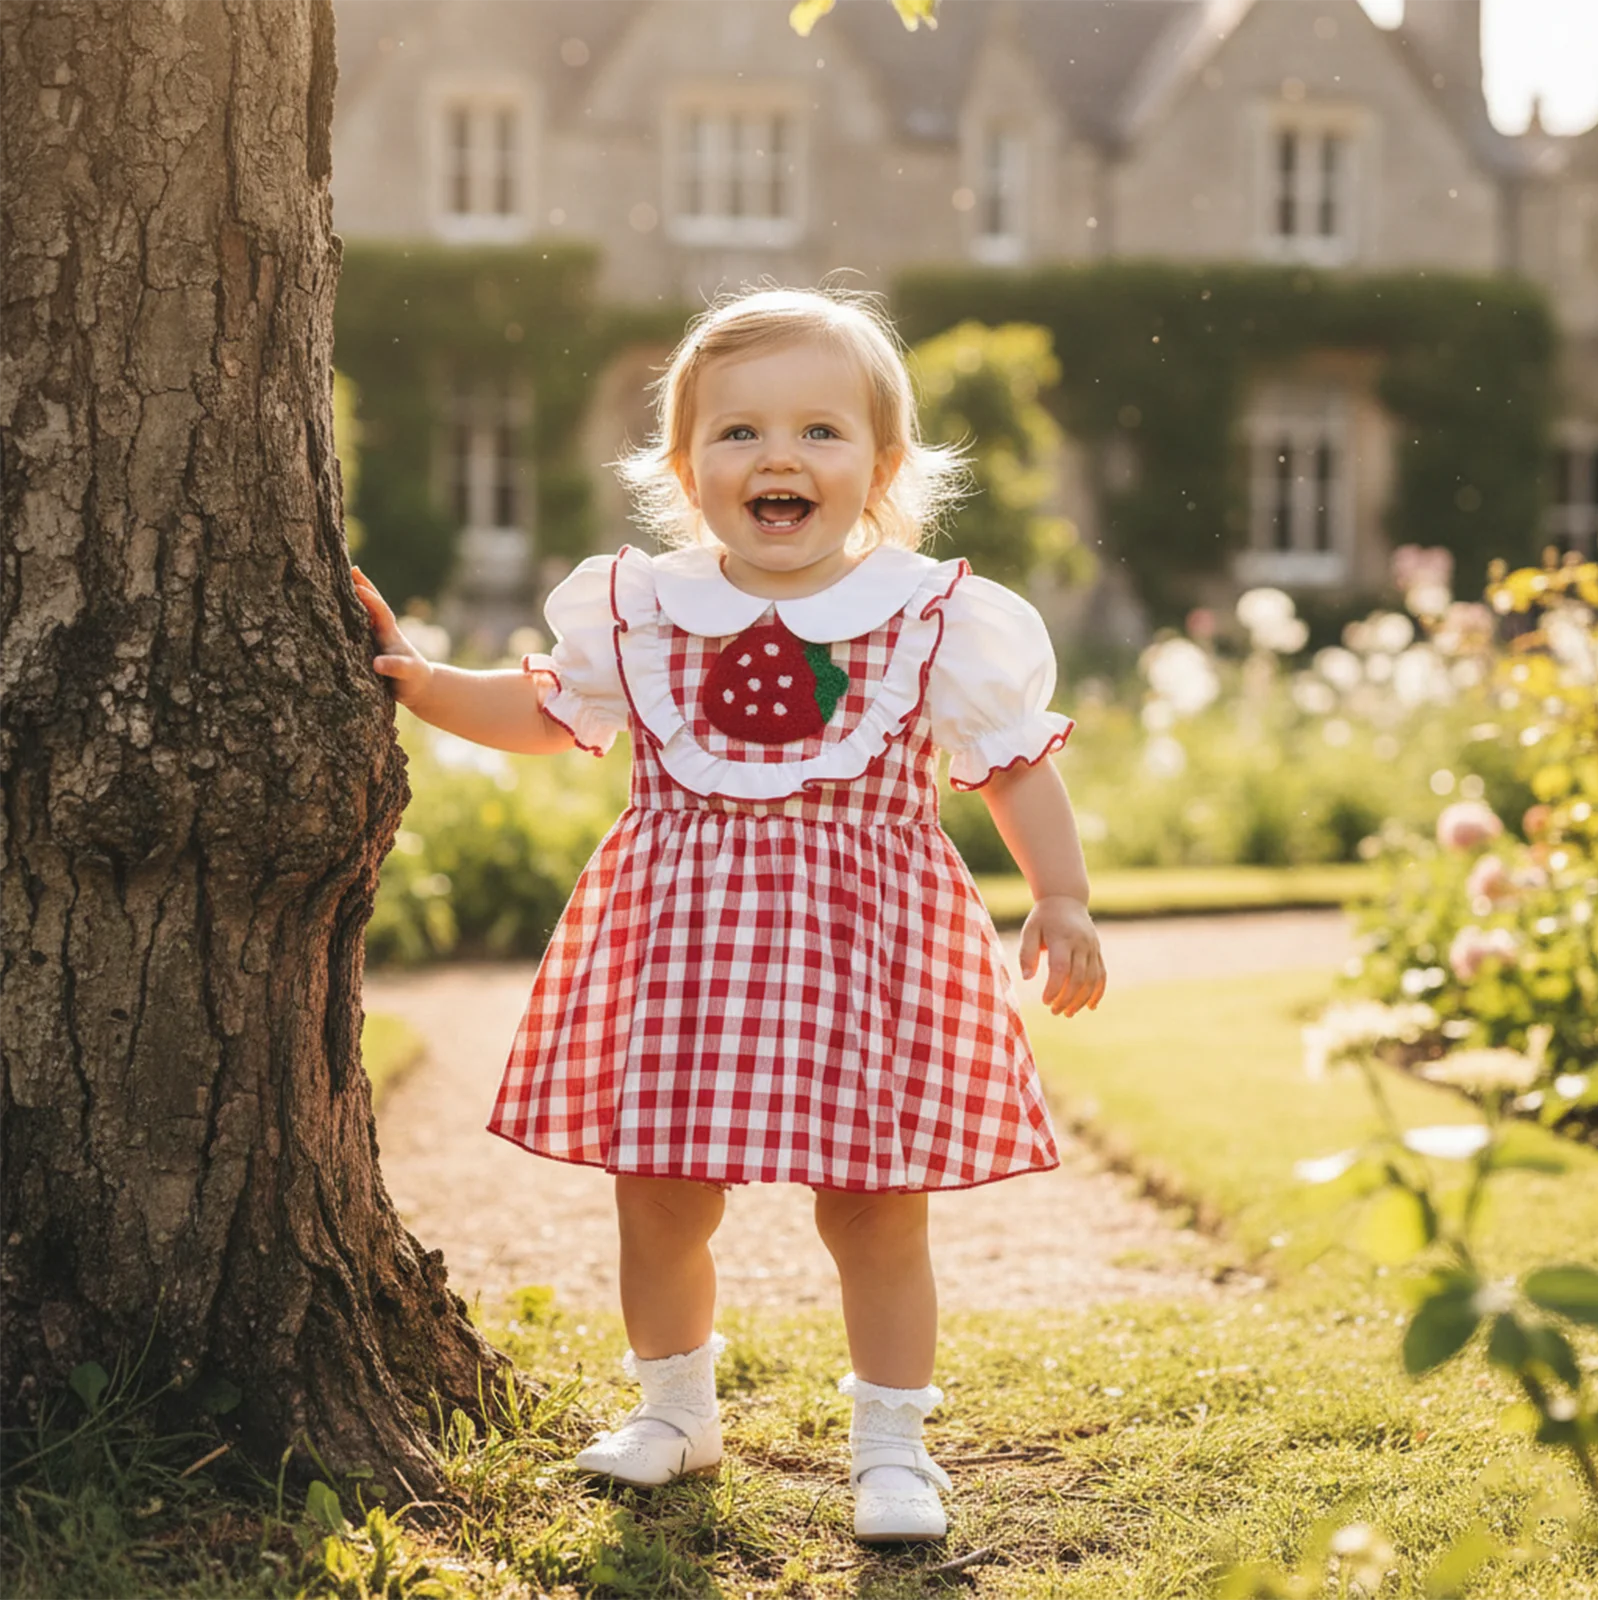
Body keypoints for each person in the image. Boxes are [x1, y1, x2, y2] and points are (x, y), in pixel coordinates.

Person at [351, 286, 1107, 1545]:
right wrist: (428, 684)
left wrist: (1062, 895)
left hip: (869, 951)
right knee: (658, 1188)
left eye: (819, 431)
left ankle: (893, 1447)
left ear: (881, 467)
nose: (776, 457)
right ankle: (674, 1410)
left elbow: (1012, 764)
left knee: (874, 1202)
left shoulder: (930, 614)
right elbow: (546, 712)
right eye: (739, 432)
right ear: (685, 466)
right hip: (682, 948)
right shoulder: (645, 607)